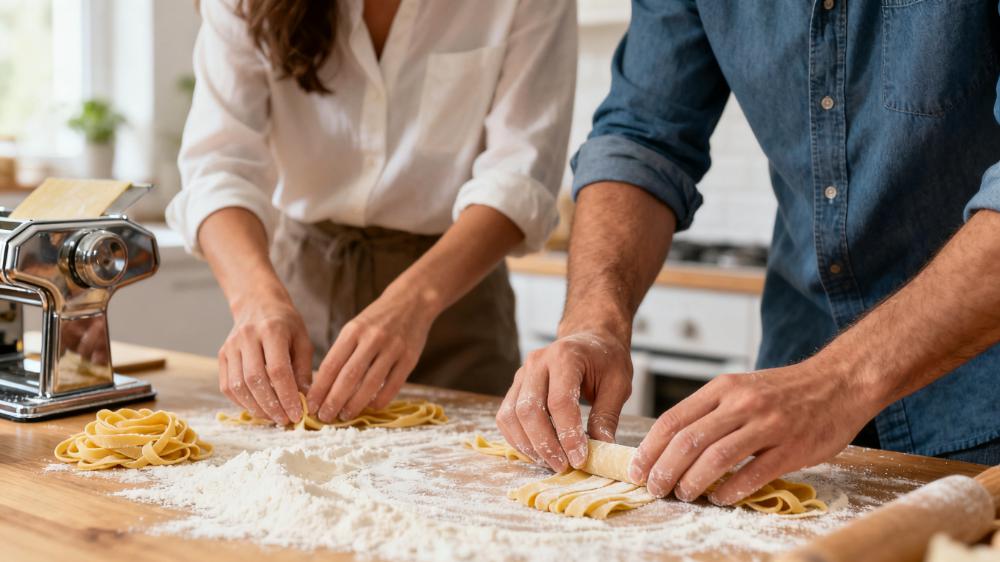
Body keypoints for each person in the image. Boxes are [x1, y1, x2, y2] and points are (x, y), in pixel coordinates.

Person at [497, 0, 1000, 507]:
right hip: (789, 391)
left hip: (982, 400)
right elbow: (642, 137)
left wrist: (840, 380)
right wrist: (593, 320)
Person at [168, 0, 576, 425]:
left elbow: (520, 179)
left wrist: (414, 303)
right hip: (305, 288)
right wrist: (254, 299)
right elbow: (218, 167)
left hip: (459, 300)